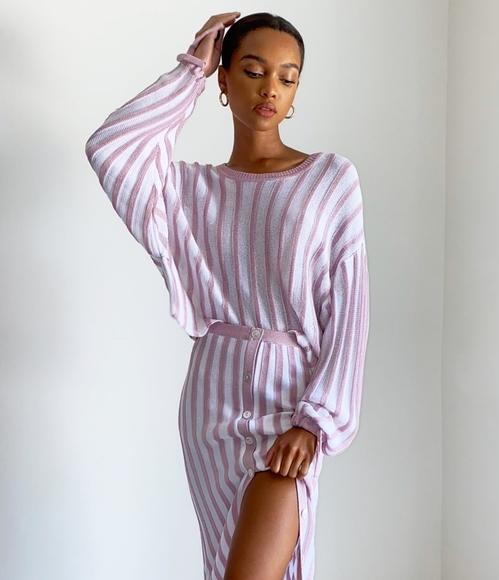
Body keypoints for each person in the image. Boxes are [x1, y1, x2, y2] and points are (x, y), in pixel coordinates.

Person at [85, 11, 369, 580]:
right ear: (225, 78)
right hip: (211, 403)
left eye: (288, 77)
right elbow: (111, 148)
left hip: (291, 403)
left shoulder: (330, 180)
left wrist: (315, 421)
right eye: (253, 70)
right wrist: (190, 70)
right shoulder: (189, 190)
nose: (271, 89)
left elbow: (350, 313)